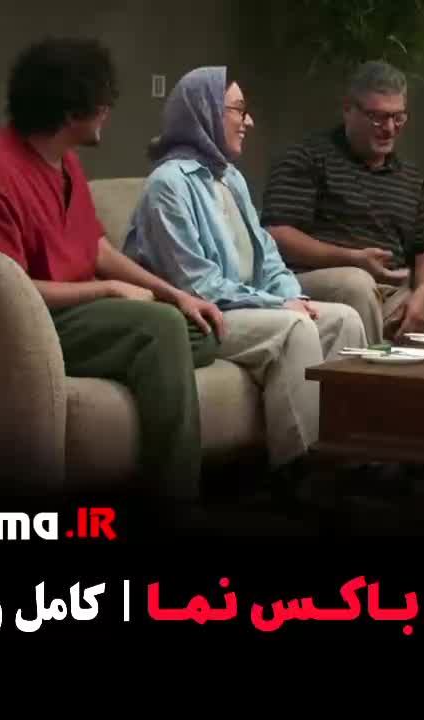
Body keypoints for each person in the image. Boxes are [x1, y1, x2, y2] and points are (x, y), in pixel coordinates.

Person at [0, 38, 225, 497]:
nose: (109, 111)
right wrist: (108, 291)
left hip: (74, 316)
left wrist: (175, 294)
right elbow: (7, 291)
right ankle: (174, 503)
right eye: (102, 102)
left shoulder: (66, 162)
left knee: (197, 330)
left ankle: (144, 358)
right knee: (161, 331)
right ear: (71, 111)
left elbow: (95, 248)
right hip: (23, 324)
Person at [123, 66, 365, 477]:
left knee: (344, 319)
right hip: (201, 316)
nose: (248, 121)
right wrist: (278, 306)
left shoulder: (230, 177)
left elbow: (267, 255)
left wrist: (293, 296)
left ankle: (352, 459)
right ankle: (301, 472)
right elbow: (196, 284)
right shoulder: (168, 185)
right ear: (204, 112)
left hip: (247, 307)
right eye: (239, 109)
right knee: (293, 329)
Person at [262, 60, 424, 344]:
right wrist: (352, 258)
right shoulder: (307, 158)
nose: (389, 129)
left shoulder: (408, 176)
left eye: (398, 117)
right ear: (348, 109)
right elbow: (277, 234)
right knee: (356, 283)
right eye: (377, 117)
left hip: (391, 295)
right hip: (319, 284)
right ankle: (372, 370)